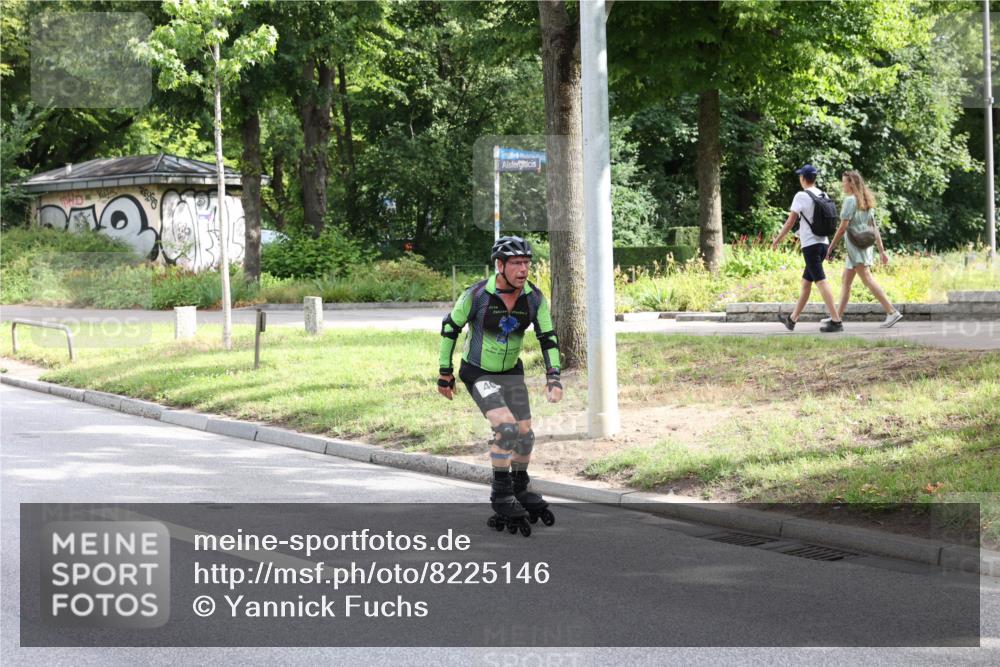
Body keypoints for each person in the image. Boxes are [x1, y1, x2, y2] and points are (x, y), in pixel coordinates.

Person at [437, 235, 562, 535]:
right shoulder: (478, 295)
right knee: (505, 429)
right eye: (517, 263)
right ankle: (500, 492)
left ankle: (519, 487)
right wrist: (445, 372)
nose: (523, 270)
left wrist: (553, 376)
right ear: (500, 265)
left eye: (527, 263)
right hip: (478, 372)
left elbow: (548, 338)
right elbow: (450, 327)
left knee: (525, 435)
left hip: (511, 373)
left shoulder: (534, 298)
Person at [823, 170, 903, 328]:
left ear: (851, 183)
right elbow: (874, 228)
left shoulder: (850, 201)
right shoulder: (865, 201)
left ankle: (892, 312)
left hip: (855, 248)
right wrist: (881, 250)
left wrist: (830, 247)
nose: (842, 184)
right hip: (864, 246)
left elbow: (843, 227)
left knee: (867, 279)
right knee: (846, 281)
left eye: (844, 182)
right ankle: (836, 318)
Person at [771, 164, 844, 332]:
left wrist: (777, 239)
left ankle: (836, 320)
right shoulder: (822, 194)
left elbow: (791, 221)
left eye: (800, 177)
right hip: (823, 243)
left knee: (820, 280)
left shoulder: (801, 195)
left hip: (810, 246)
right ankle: (792, 319)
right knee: (806, 283)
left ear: (803, 178)